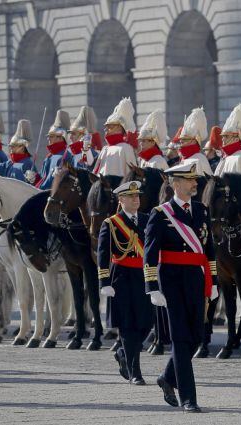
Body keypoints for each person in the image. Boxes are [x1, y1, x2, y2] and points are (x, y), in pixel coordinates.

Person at [144, 162, 219, 413]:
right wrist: (152, 286)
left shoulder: (201, 210)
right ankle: (189, 398)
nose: (194, 183)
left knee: (195, 337)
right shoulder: (161, 213)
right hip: (172, 282)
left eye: (194, 180)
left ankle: (167, 377)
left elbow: (209, 249)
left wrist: (215, 280)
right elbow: (150, 253)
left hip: (197, 280)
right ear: (175, 184)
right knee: (179, 337)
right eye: (189, 180)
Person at [97, 181, 153, 385]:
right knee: (129, 327)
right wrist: (104, 281)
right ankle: (135, 372)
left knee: (146, 324)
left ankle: (122, 352)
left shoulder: (147, 220)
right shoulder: (111, 223)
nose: (136, 199)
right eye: (130, 197)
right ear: (121, 200)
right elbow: (102, 254)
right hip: (122, 279)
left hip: (145, 277)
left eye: (137, 196)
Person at [94, 97, 139, 177]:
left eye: (110, 126)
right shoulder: (105, 148)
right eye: (106, 127)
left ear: (119, 127)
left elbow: (131, 175)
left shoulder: (126, 148)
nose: (106, 129)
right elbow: (97, 172)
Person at [215, 105, 241, 176]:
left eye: (226, 136)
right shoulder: (225, 157)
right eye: (223, 136)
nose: (223, 139)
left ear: (236, 138)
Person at [38, 110, 72, 189]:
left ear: (61, 137)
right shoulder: (49, 157)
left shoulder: (66, 155)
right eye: (49, 136)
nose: (48, 138)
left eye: (52, 136)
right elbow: (42, 177)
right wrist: (33, 177)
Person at [0, 119, 39, 184]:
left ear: (22, 147)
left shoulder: (28, 164)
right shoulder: (10, 162)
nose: (11, 149)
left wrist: (33, 179)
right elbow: (0, 168)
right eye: (10, 146)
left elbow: (33, 186)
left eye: (13, 146)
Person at [177, 108, 213, 176]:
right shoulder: (183, 158)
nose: (181, 141)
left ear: (193, 141)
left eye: (185, 139)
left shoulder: (200, 159)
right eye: (181, 139)